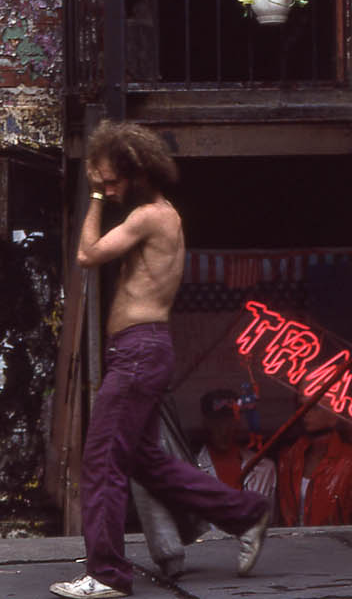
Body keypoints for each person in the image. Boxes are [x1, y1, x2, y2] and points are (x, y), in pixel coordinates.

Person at [50, 120, 270, 599]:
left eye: (113, 181)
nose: (108, 188)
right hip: (139, 352)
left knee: (102, 462)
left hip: (138, 353)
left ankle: (107, 574)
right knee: (145, 461)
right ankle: (246, 513)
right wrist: (104, 189)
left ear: (139, 173)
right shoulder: (158, 215)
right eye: (103, 182)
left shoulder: (150, 216)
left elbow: (87, 254)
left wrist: (94, 196)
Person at [278, 403, 352, 527]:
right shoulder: (289, 458)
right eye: (302, 406)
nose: (306, 413)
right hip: (291, 538)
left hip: (333, 539)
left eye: (315, 408)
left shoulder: (350, 461)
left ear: (334, 417)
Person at [195, 388, 277, 515]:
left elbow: (272, 522)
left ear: (239, 422)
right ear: (205, 423)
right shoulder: (191, 470)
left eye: (230, 420)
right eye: (217, 421)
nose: (224, 429)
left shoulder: (265, 469)